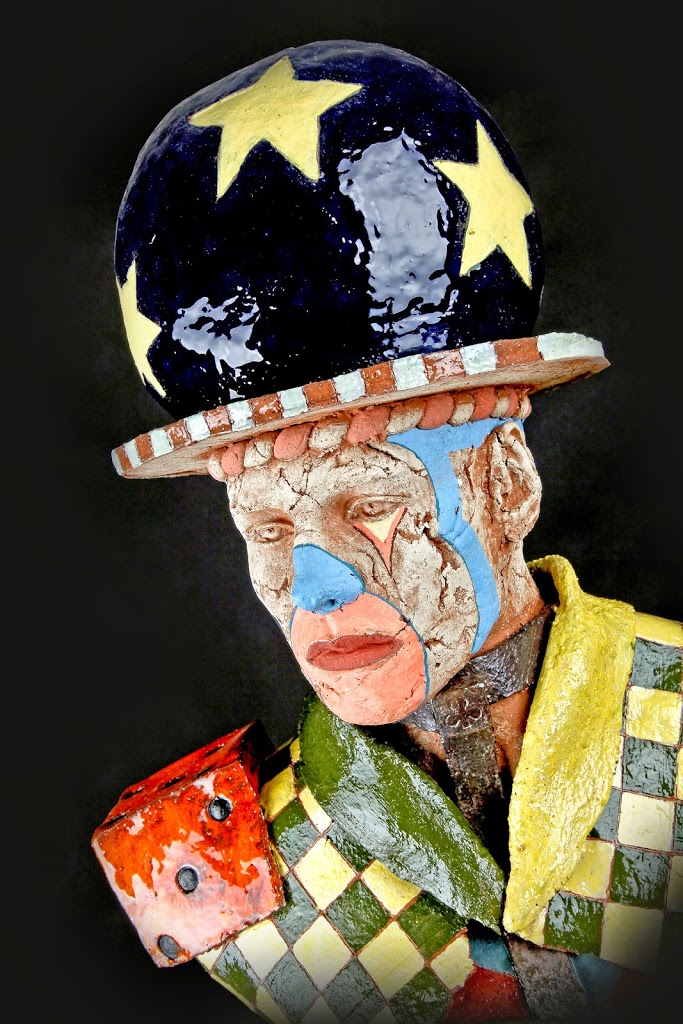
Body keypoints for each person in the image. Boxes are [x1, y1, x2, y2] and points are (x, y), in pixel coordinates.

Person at [91, 40, 682, 1023]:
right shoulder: (218, 876)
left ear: (505, 482)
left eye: (367, 506)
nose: (314, 583)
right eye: (266, 523)